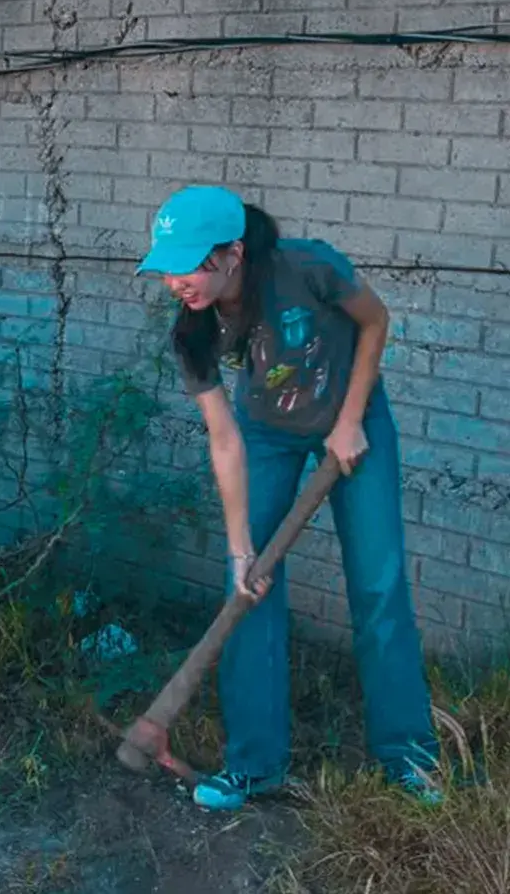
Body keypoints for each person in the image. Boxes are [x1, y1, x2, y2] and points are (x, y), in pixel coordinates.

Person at [138, 185, 442, 811]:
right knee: (246, 592)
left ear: (233, 253)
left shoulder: (308, 266)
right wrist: (239, 548)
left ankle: (409, 759)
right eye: (168, 267)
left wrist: (352, 419)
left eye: (190, 263)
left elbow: (375, 321)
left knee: (379, 587)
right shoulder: (191, 333)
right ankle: (254, 764)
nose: (177, 281)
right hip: (265, 435)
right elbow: (224, 440)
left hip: (353, 420)